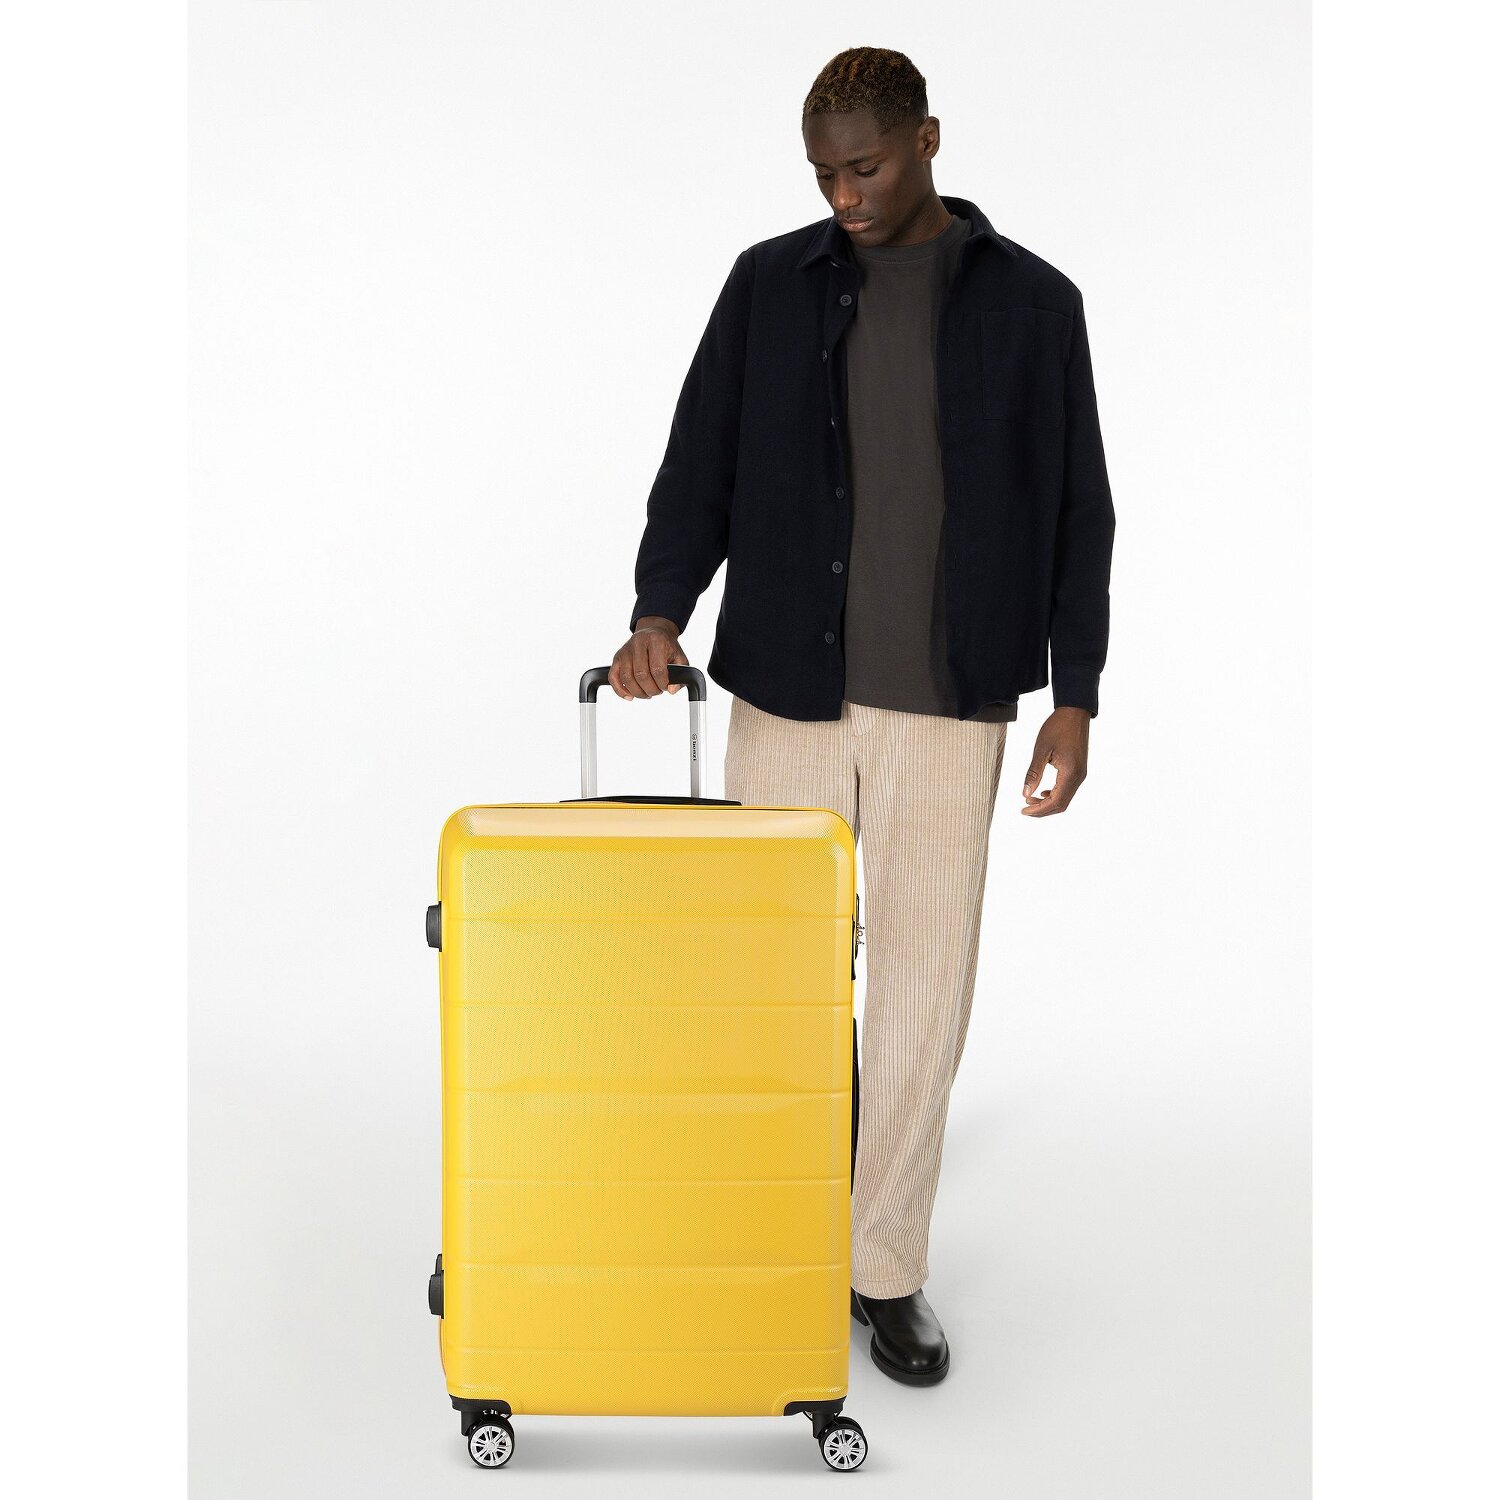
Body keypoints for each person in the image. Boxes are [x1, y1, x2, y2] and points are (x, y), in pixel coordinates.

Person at [609, 45, 1115, 1387]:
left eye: (867, 166)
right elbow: (699, 460)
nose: (844, 194)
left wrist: (1075, 694)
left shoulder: (1035, 304)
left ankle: (883, 1265)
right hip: (789, 687)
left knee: (920, 993)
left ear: (928, 139)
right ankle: (779, 1229)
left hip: (952, 700)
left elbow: (1080, 507)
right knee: (771, 980)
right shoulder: (767, 286)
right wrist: (660, 610)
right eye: (823, 173)